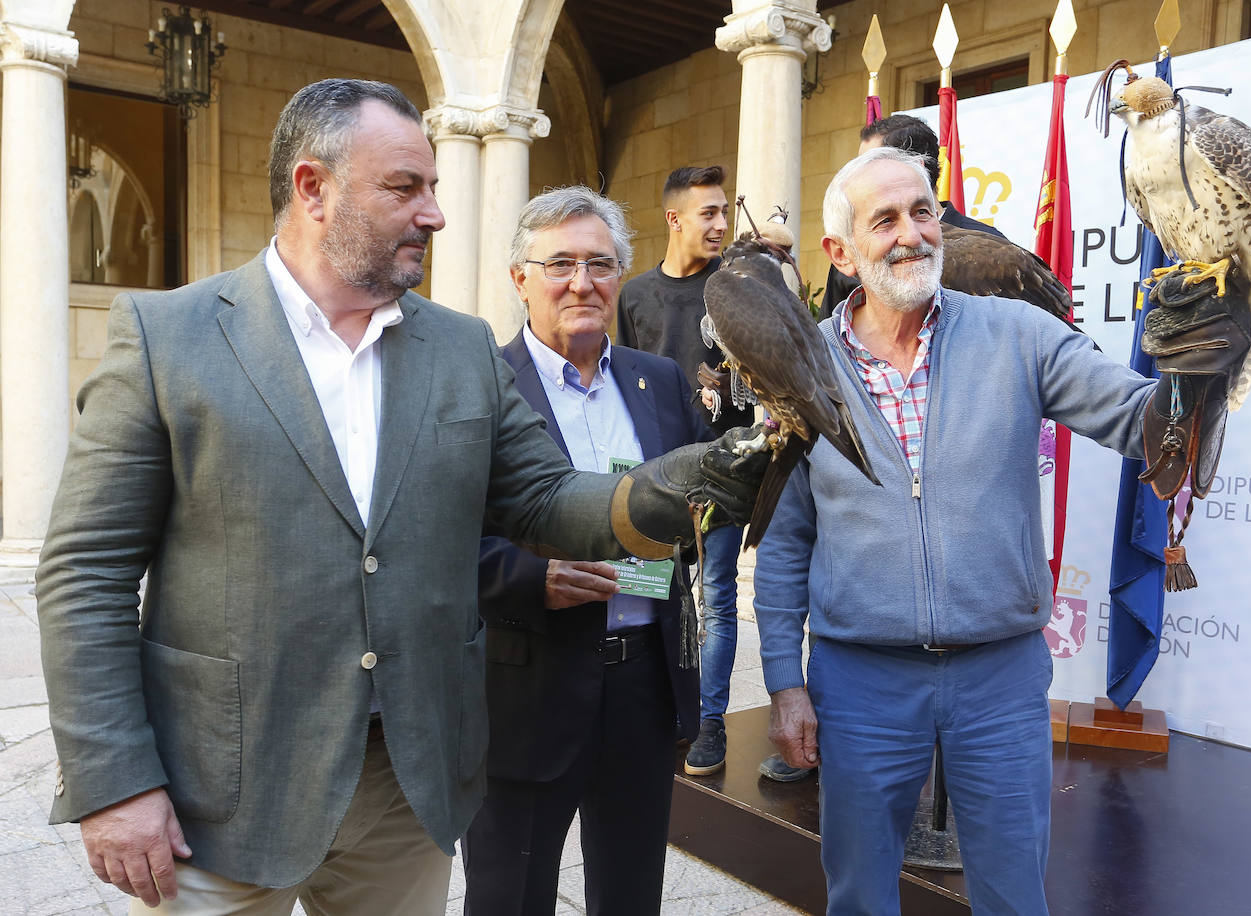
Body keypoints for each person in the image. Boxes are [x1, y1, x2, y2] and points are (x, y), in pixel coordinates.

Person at [35, 79, 761, 914]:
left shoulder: (456, 349)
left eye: (434, 189)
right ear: (313, 188)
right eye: (405, 188)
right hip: (224, 797)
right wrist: (114, 780)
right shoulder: (168, 339)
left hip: (404, 793)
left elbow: (551, 499)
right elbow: (83, 577)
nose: (435, 214)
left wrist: (715, 470)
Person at [754, 146, 1156, 915]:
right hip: (860, 681)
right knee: (861, 897)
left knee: (1012, 896)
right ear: (839, 251)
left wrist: (1194, 382)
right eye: (885, 220)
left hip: (998, 678)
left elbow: (1139, 418)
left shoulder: (1017, 334)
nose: (912, 234)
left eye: (923, 212)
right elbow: (784, 538)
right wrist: (783, 681)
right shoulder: (806, 368)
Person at [461, 186, 712, 914]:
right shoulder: (480, 386)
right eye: (560, 264)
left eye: (600, 265)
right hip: (527, 687)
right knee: (511, 898)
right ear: (519, 278)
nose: (582, 283)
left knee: (631, 896)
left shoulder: (658, 382)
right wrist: (529, 578)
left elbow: (695, 506)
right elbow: (439, 537)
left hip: (643, 684)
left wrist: (698, 522)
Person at [616, 165, 749, 777]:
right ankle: (648, 708)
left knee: (717, 597)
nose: (721, 224)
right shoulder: (635, 295)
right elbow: (614, 379)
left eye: (724, 211)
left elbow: (758, 391)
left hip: (723, 471)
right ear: (675, 219)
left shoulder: (738, 287)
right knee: (649, 592)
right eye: (708, 213)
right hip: (650, 477)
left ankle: (710, 721)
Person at [817, 114, 1006, 320]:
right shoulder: (854, 250)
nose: (911, 237)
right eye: (885, 222)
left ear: (917, 166)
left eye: (874, 163)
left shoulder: (993, 248)